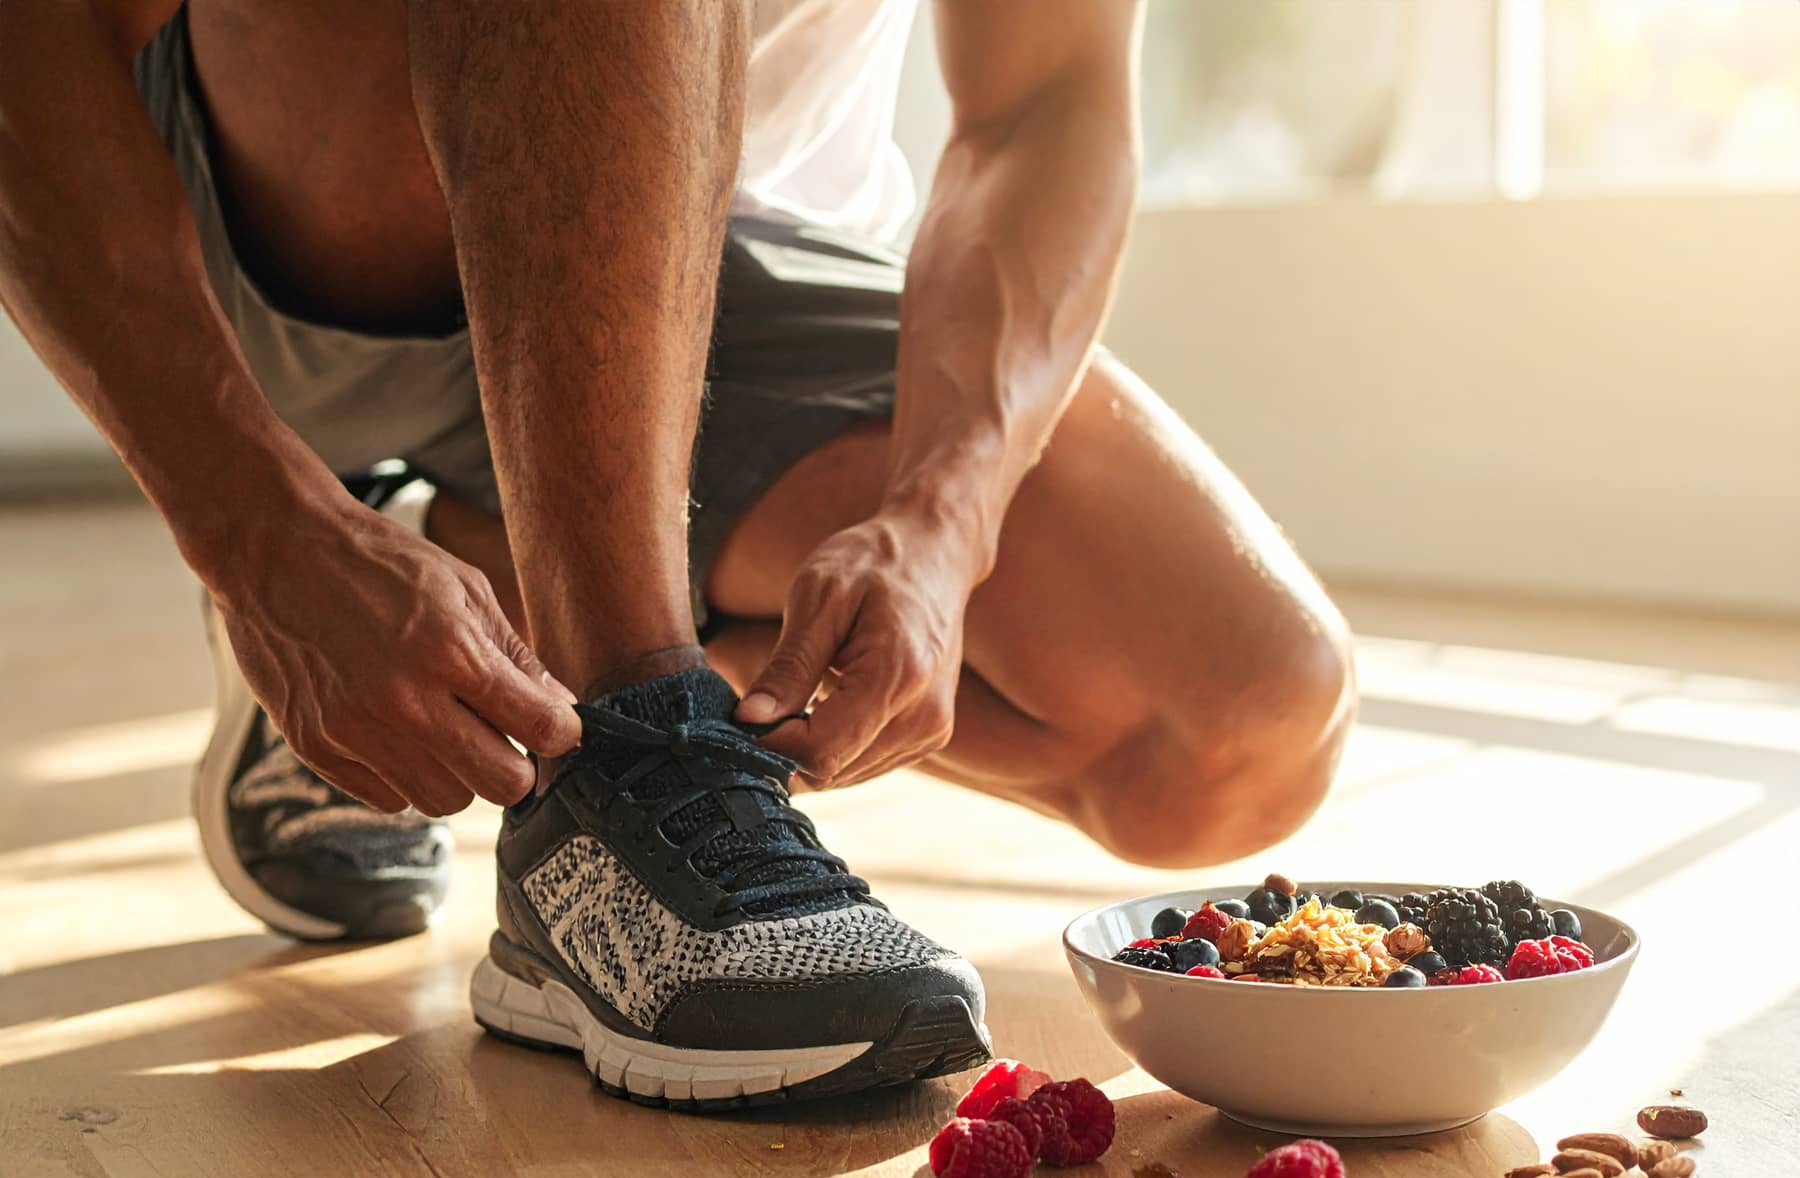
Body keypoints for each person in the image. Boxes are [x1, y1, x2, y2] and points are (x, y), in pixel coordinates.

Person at [0, 0, 1353, 1108]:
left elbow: (1040, 103)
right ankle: (625, 756)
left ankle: (451, 575)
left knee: (1238, 726)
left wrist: (945, 519)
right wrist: (259, 535)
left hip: (716, 258)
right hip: (312, 216)